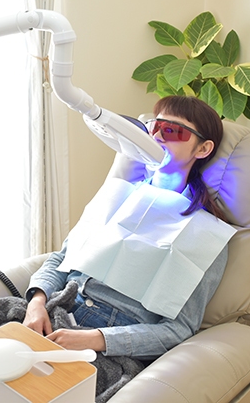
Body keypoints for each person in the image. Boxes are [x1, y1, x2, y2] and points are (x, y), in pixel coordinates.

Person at [23, 95, 233, 360]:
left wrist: (97, 339)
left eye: (173, 131)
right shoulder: (117, 196)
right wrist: (37, 301)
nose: (158, 137)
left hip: (110, 337)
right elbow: (62, 258)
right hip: (57, 308)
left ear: (202, 149)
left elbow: (179, 329)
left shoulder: (206, 235)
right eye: (154, 127)